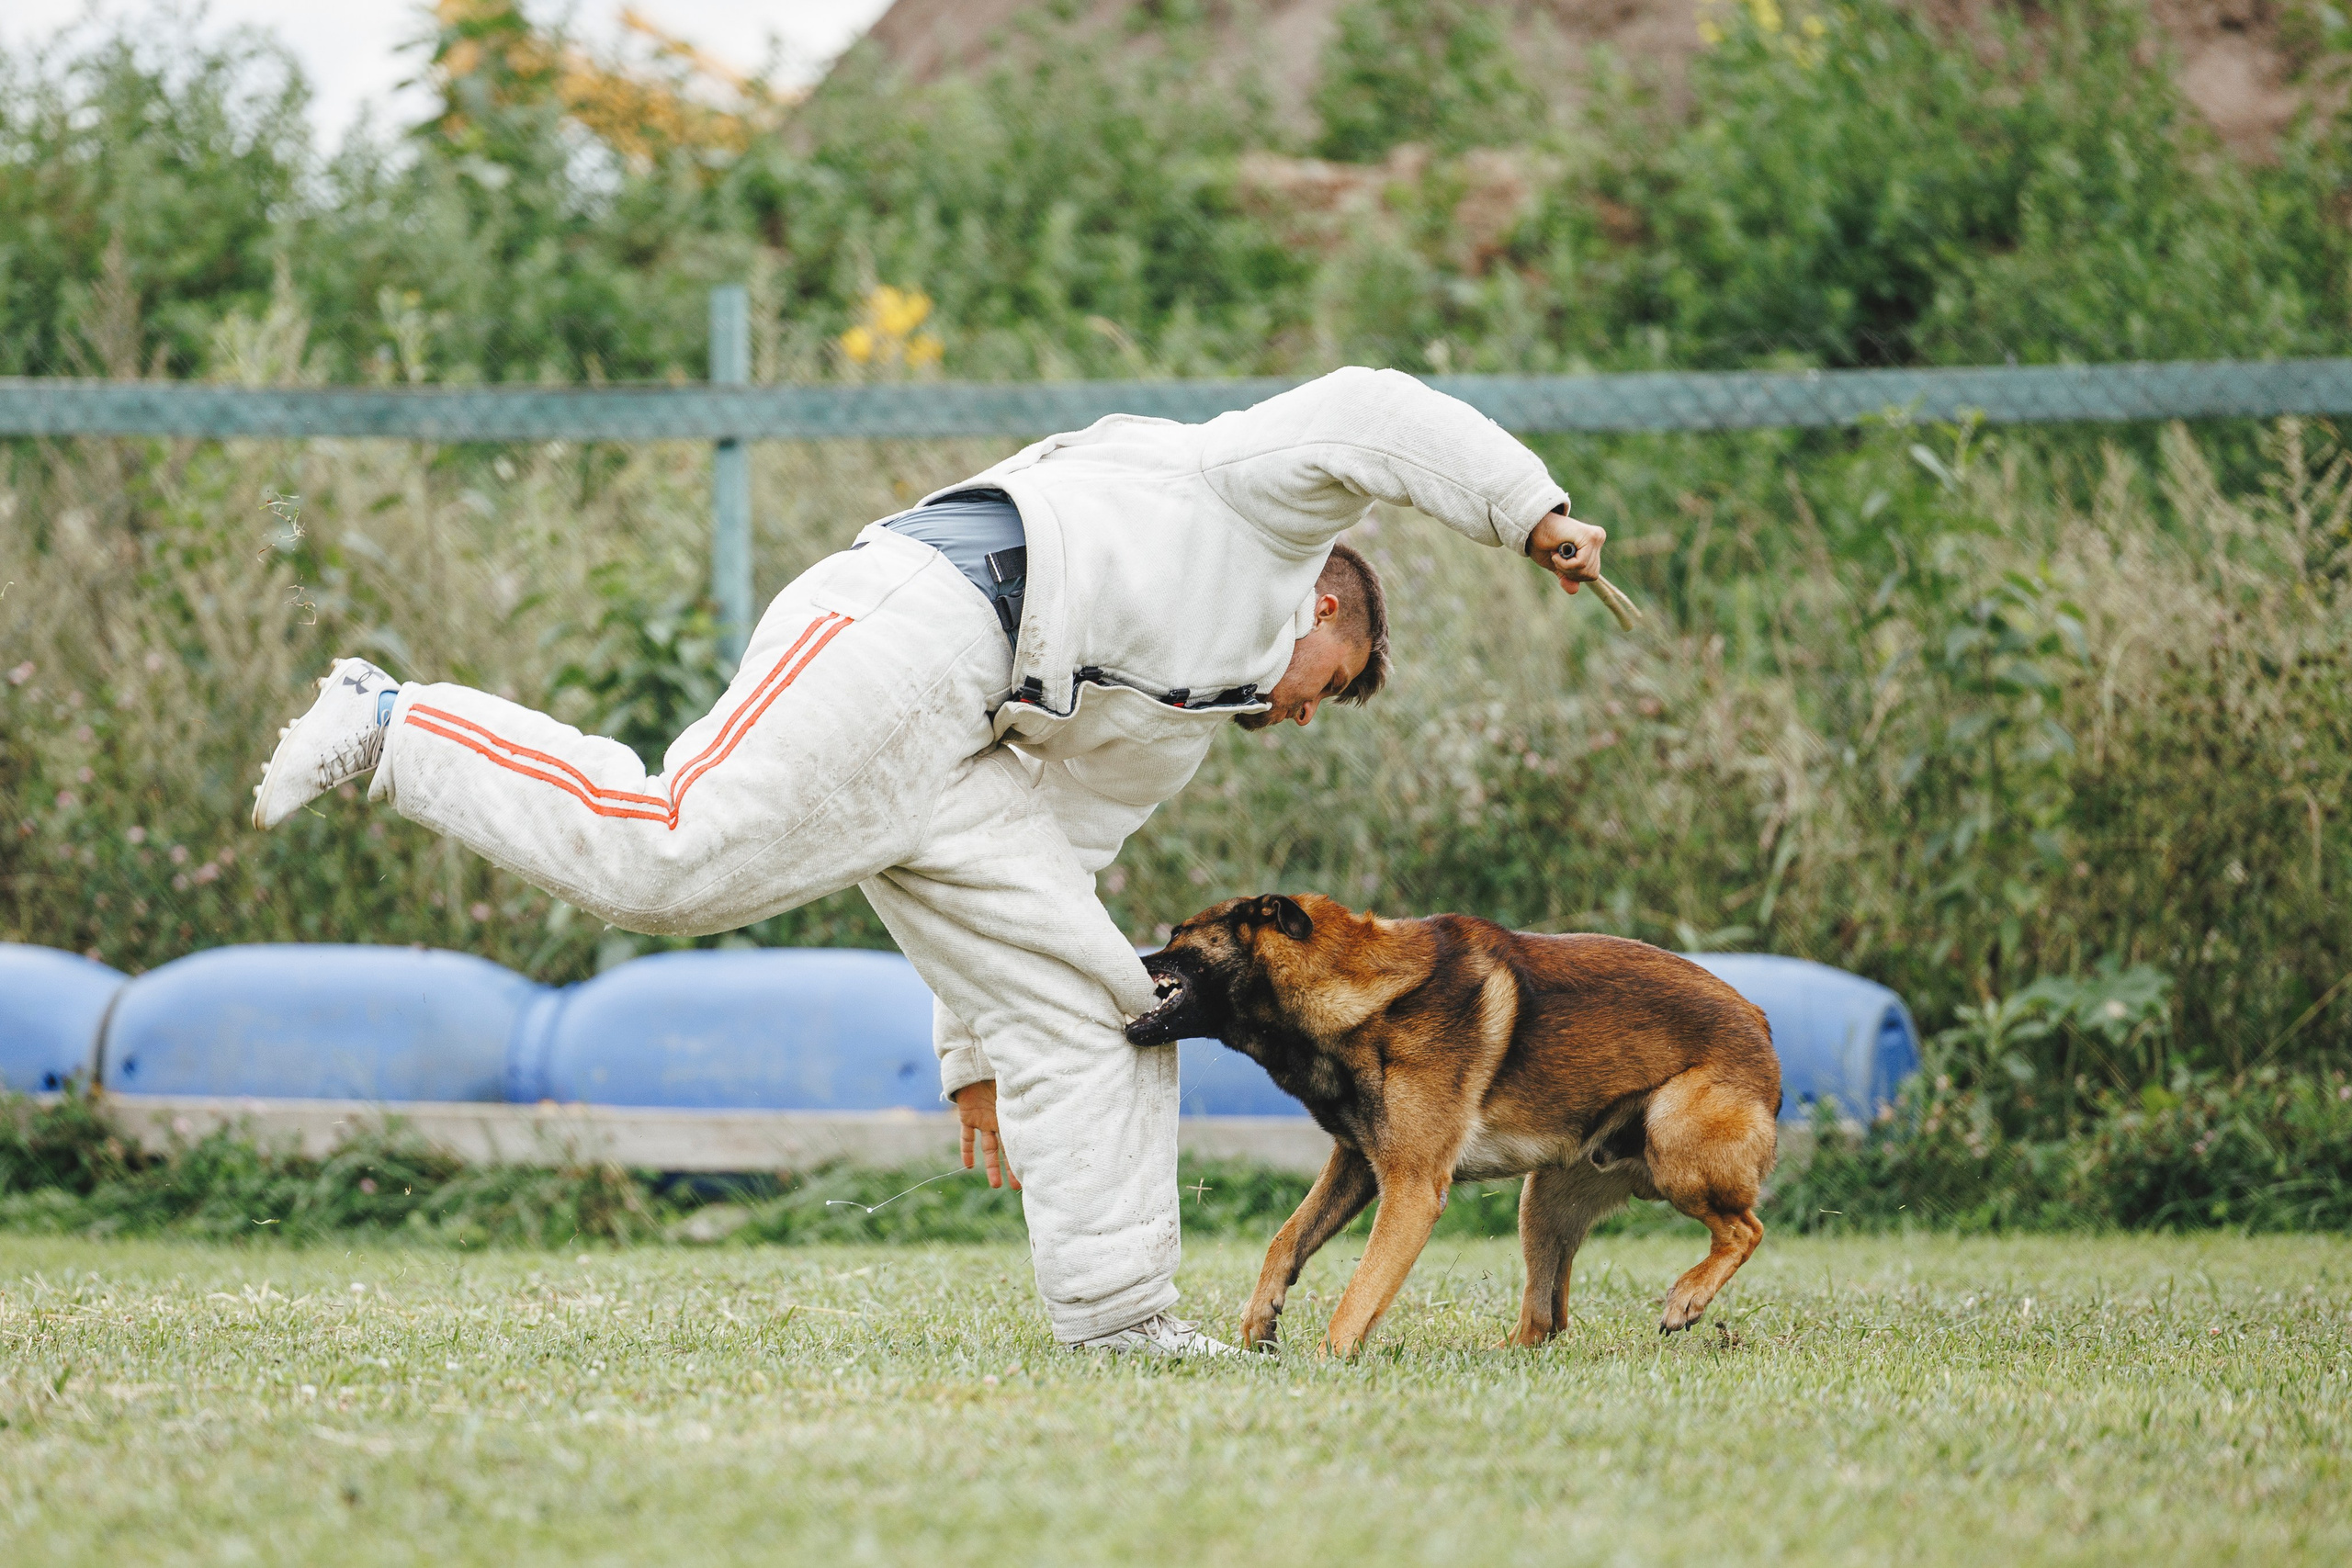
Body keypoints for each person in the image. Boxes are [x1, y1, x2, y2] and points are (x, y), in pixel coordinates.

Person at [249, 367, 1606, 1354]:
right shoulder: (1258, 503)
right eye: (1332, 677)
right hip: (923, 621)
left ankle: (1121, 1321)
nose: (1307, 708)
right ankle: (392, 720)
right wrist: (1528, 510)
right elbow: (1375, 405)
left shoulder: (1174, 731)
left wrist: (977, 1061)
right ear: (1325, 602)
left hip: (974, 746)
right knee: (666, 859)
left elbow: (1050, 873)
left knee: (1105, 999)